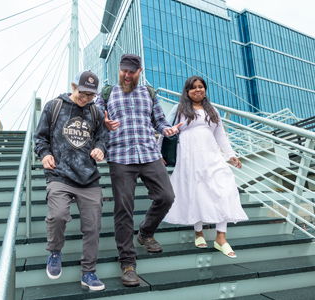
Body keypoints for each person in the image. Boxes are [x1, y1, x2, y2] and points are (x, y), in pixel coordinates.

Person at [95, 54, 181, 287]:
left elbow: (159, 121)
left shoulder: (149, 93)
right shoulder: (107, 93)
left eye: (131, 72)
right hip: (120, 157)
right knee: (124, 209)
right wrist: (103, 123)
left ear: (139, 71)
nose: (127, 75)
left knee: (166, 196)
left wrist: (167, 130)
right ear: (119, 70)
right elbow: (94, 119)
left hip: (149, 154)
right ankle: (128, 264)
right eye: (124, 71)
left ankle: (145, 233)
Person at [33, 70, 108, 291]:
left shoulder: (96, 112)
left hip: (89, 178)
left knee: (92, 227)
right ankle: (55, 252)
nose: (86, 99)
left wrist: (99, 149)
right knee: (57, 216)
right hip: (60, 174)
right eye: (83, 93)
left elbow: (103, 138)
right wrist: (45, 154)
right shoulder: (54, 106)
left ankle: (89, 272)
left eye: (91, 95)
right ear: (74, 86)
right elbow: (40, 138)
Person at [162, 75, 248, 258]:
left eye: (201, 86)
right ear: (187, 91)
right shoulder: (179, 110)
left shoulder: (212, 110)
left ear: (205, 89)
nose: (198, 90)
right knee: (196, 191)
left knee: (225, 189)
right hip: (189, 157)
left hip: (212, 156)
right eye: (193, 87)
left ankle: (221, 237)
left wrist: (231, 154)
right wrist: (159, 154)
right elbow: (164, 130)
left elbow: (221, 135)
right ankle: (199, 232)